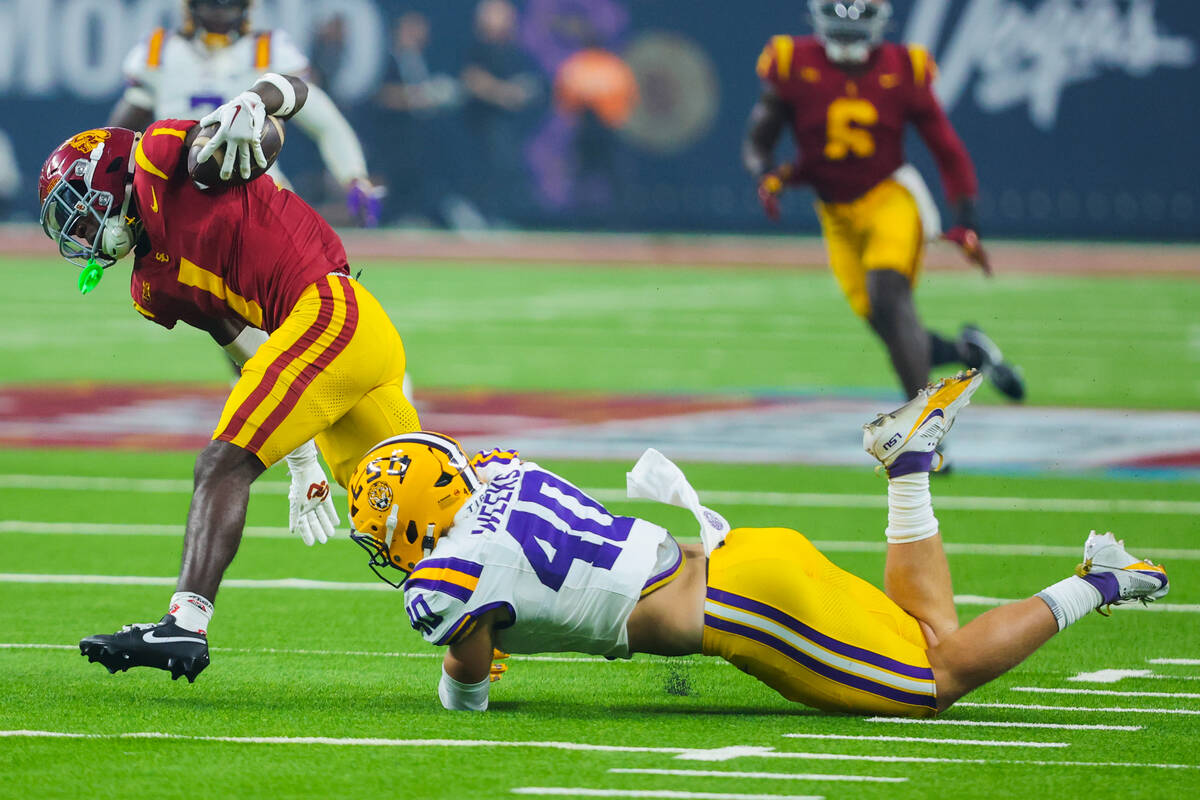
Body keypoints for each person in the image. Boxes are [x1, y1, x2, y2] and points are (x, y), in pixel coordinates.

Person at [345, 371, 1168, 714]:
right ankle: (908, 466)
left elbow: (466, 675)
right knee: (928, 638)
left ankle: (1099, 581)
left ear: (415, 524)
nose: (392, 551)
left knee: (933, 686)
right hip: (742, 555)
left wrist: (467, 691)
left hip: (745, 609)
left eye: (389, 534)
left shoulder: (447, 578)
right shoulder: (495, 469)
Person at [39, 73, 420, 682]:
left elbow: (256, 129)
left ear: (110, 185)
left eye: (80, 218)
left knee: (221, 462)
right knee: (410, 503)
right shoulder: (152, 286)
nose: (80, 238)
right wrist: (300, 461)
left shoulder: (165, 159)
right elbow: (246, 349)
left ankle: (185, 624)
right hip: (347, 337)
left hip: (329, 312)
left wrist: (254, 104)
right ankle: (503, 618)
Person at [743, 1, 1024, 404]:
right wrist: (765, 175)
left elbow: (947, 149)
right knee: (889, 325)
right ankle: (970, 354)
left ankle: (922, 430)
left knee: (888, 293)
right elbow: (758, 140)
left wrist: (967, 217)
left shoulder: (903, 67)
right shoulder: (793, 62)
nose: (848, 25)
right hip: (836, 214)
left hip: (890, 195)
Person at [108, 0, 383, 226]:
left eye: (228, 5)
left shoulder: (268, 50)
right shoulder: (159, 52)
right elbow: (120, 134)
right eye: (211, 5)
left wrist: (354, 176)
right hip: (177, 190)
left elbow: (325, 122)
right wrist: (110, 183)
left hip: (255, 183)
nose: (220, 12)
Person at [460, 0, 541, 224]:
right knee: (488, 166)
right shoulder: (479, 47)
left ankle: (493, 215)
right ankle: (472, 212)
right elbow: (472, 79)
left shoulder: (512, 50)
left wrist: (520, 92)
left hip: (505, 122)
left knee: (505, 167)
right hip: (482, 120)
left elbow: (530, 82)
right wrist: (504, 93)